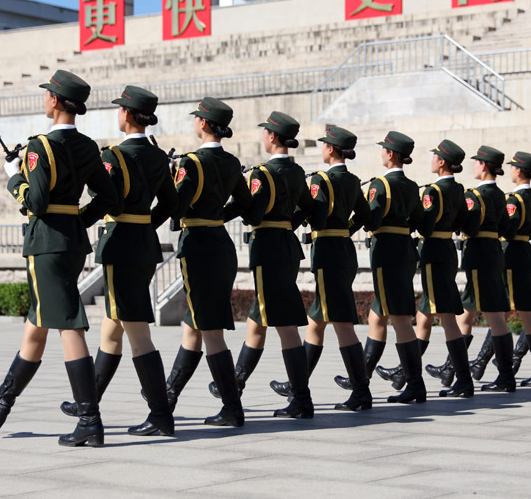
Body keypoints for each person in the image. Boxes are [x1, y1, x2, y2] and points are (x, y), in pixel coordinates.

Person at [0, 70, 118, 446]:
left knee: (68, 325)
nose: (45, 100)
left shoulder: (41, 146)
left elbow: (35, 203)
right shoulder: (88, 146)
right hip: (71, 241)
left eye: (47, 95)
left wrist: (14, 177)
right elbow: (108, 197)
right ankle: (1, 403)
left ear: (54, 100)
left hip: (47, 245)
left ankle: (89, 420)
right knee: (36, 325)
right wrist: (78, 220)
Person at [58, 86, 178, 436]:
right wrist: (145, 225)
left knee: (137, 333)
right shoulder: (158, 156)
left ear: (126, 114)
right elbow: (171, 204)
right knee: (112, 327)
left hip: (121, 245)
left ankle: (161, 415)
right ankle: (88, 401)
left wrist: (80, 221)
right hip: (143, 244)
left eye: (120, 109)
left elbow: (103, 196)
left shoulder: (114, 156)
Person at [159, 97, 252, 429]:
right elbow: (246, 204)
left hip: (199, 246)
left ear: (203, 123)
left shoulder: (192, 163)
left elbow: (177, 207)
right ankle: (167, 396)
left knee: (210, 331)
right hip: (220, 244)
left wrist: (168, 177)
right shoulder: (231, 162)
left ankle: (232, 407)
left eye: (197, 117)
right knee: (193, 325)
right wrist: (217, 215)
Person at [266, 125, 373, 411]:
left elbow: (317, 215)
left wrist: (297, 221)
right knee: (317, 322)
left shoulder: (321, 180)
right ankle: (297, 385)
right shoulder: (353, 180)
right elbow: (364, 214)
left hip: (327, 253)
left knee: (342, 323)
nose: (322, 147)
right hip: (344, 250)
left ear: (331, 149)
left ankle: (361, 391)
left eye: (325, 144)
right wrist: (345, 230)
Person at [227, 111, 315, 418]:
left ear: (273, 136)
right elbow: (309, 206)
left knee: (284, 324)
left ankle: (301, 398)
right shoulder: (297, 171)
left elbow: (254, 214)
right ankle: (234, 383)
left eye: (265, 132)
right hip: (287, 245)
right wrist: (288, 223)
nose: (263, 136)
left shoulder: (262, 174)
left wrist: (240, 194)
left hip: (268, 248)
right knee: (258, 316)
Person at [415, 140, 476, 398]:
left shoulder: (434, 191)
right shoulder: (458, 189)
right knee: (424, 315)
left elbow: (425, 226)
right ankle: (406, 373)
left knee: (447, 317)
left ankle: (463, 379)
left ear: (441, 162)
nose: (431, 160)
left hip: (434, 252)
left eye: (434, 157)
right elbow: (463, 221)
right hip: (448, 250)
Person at [459, 146, 515, 391]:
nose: (474, 166)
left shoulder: (476, 195)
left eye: (476, 162)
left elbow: (471, 228)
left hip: (479, 254)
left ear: (483, 165)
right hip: (493, 252)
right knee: (472, 312)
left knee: (487, 314)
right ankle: (456, 369)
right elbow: (507, 229)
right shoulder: (500, 194)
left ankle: (501, 376)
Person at [502, 152, 531, 387]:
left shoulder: (514, 200)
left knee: (508, 314)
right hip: (527, 254)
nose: (510, 170)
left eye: (512, 167)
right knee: (529, 314)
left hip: (513, 256)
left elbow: (508, 229)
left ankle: (507, 372)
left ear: (519, 171)